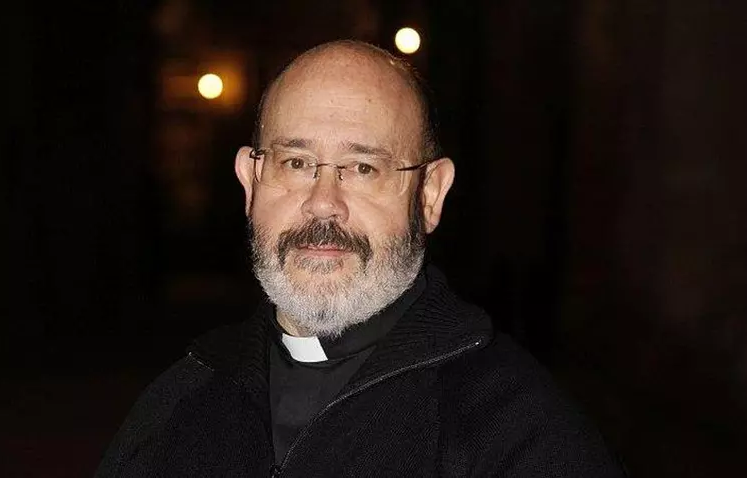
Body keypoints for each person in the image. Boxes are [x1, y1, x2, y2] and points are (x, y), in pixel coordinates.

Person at [94, 40, 625, 477]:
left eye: (363, 168)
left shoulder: (520, 433)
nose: (323, 202)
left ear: (430, 195)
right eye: (296, 162)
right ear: (250, 182)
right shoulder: (179, 401)